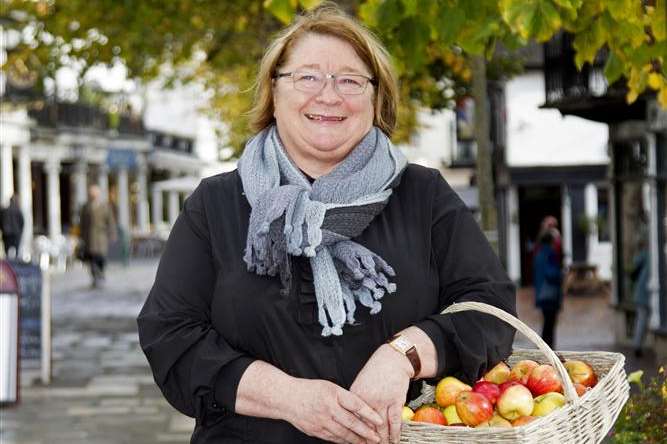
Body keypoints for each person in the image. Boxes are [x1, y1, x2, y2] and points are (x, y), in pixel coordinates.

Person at [137, 5, 516, 443]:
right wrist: (289, 399)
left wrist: (403, 355)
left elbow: (492, 310)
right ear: (273, 93)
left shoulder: (423, 194)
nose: (329, 96)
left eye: (350, 80)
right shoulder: (216, 203)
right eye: (307, 77)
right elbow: (170, 337)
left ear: (376, 99)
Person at [79, 184, 116, 288]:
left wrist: (112, 234)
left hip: (101, 237)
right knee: (91, 259)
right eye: (91, 194)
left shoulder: (105, 206)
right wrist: (82, 236)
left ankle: (101, 274)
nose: (92, 195)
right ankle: (95, 277)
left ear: (98, 194)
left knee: (101, 258)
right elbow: (82, 223)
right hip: (89, 238)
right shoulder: (85, 207)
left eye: (94, 193)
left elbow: (111, 221)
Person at [533, 231, 563, 348]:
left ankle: (544, 347)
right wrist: (561, 274)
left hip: (541, 294)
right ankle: (548, 348)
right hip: (551, 295)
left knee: (546, 322)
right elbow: (552, 274)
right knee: (550, 324)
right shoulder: (550, 254)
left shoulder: (538, 254)